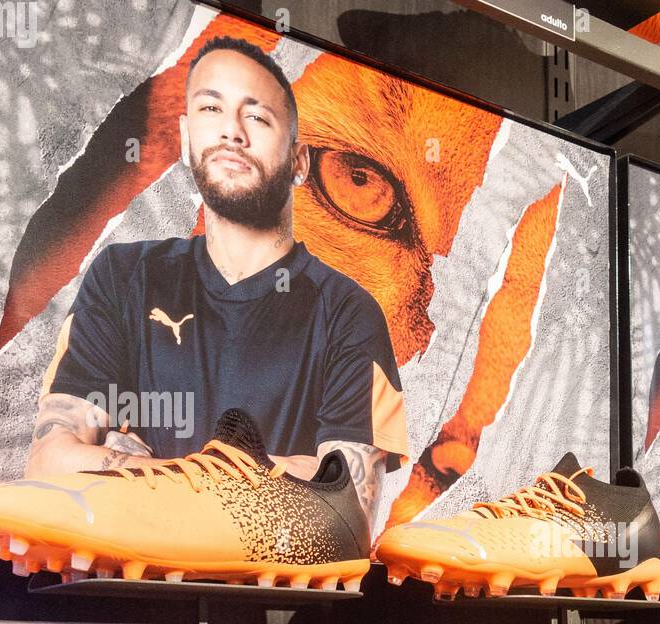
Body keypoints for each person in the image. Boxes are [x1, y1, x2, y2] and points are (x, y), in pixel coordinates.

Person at [23, 35, 407, 523]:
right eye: (211, 109)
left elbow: (345, 513)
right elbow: (46, 466)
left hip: (272, 601)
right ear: (185, 139)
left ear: (299, 160)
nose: (232, 132)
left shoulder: (350, 313)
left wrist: (137, 470)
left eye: (257, 117)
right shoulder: (121, 278)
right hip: (128, 596)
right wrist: (279, 472)